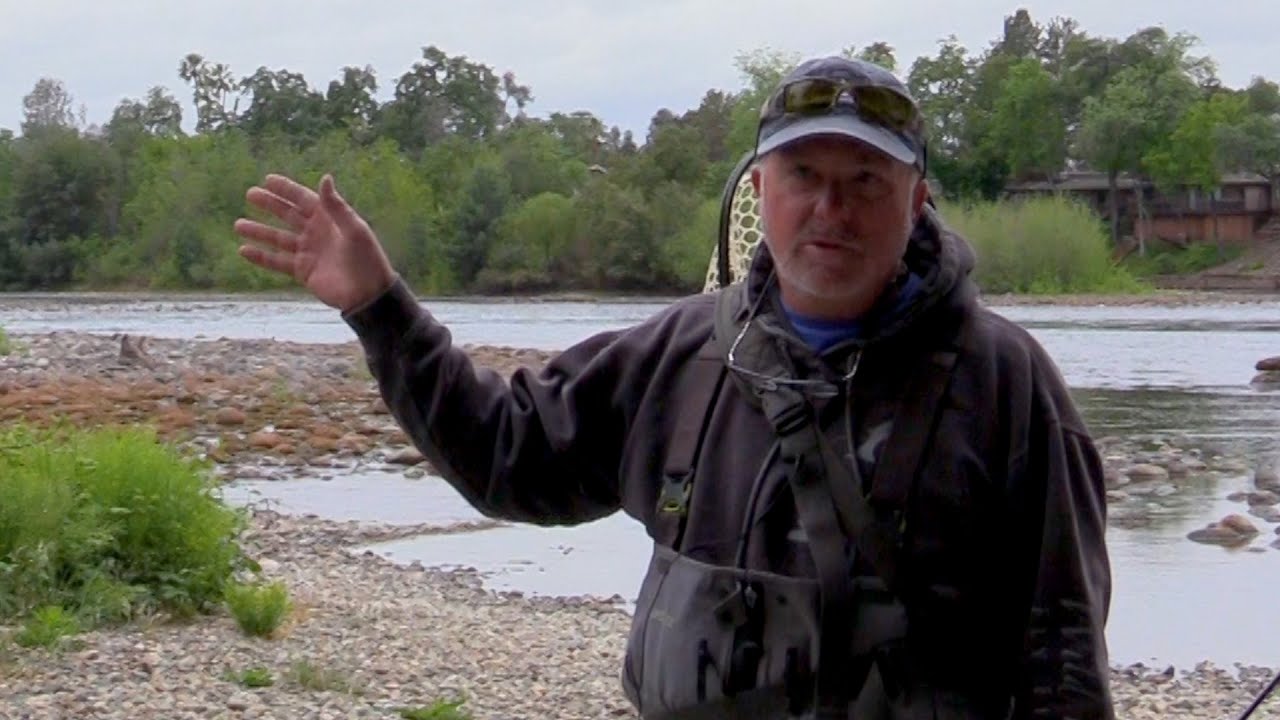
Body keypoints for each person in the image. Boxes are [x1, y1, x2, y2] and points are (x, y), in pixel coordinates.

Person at [233, 55, 1114, 720]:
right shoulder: (681, 354)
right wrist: (381, 310)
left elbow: (1063, 651)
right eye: (805, 176)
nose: (829, 210)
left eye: (865, 183)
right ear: (759, 188)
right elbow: (504, 455)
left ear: (917, 201)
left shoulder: (1006, 387)